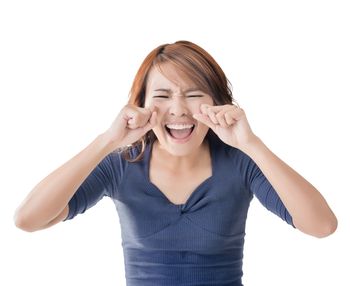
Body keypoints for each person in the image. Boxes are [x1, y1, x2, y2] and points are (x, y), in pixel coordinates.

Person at [14, 40, 337, 286]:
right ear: (140, 104)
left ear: (217, 102)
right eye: (163, 95)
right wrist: (108, 141)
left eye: (194, 94)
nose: (179, 110)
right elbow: (29, 220)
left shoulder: (242, 163)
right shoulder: (122, 164)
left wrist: (251, 144)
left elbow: (322, 227)